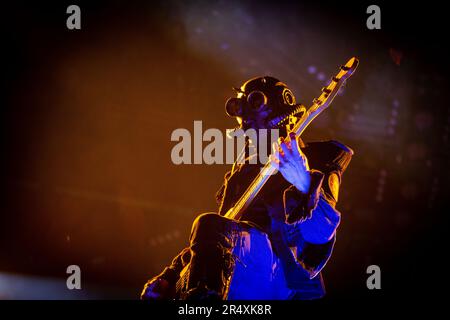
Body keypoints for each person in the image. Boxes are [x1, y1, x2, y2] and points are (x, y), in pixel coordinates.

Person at [141, 76, 353, 300]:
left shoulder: (317, 158)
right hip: (242, 264)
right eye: (239, 107)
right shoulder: (239, 175)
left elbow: (322, 234)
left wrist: (303, 181)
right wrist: (171, 275)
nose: (244, 117)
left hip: (279, 265)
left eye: (255, 102)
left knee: (208, 222)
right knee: (209, 229)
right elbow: (214, 241)